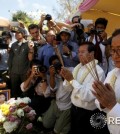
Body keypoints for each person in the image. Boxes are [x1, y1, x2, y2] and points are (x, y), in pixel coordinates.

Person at [60, 42, 109, 134]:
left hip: (86, 113)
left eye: (83, 52)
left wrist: (72, 80)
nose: (79, 54)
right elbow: (68, 89)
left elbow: (88, 96)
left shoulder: (98, 72)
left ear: (91, 54)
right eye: (78, 52)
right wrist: (67, 79)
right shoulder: (77, 68)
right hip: (74, 108)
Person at [92, 28, 120, 134]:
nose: (115, 55)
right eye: (112, 50)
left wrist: (112, 104)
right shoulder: (112, 74)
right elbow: (97, 102)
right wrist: (103, 102)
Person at [42, 55, 73, 134]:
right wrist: (52, 75)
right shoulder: (53, 75)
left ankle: (66, 123)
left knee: (57, 131)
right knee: (46, 123)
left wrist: (63, 73)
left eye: (57, 63)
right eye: (54, 65)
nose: (57, 66)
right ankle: (60, 121)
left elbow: (72, 84)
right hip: (57, 103)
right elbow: (52, 89)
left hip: (67, 106)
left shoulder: (71, 70)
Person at [8, 27, 34, 98]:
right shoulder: (13, 45)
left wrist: (29, 69)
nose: (16, 34)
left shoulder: (29, 44)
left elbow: (31, 59)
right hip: (14, 72)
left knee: (25, 90)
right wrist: (10, 70)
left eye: (18, 33)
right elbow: (10, 58)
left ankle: (25, 106)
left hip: (25, 72)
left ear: (23, 34)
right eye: (15, 33)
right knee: (14, 90)